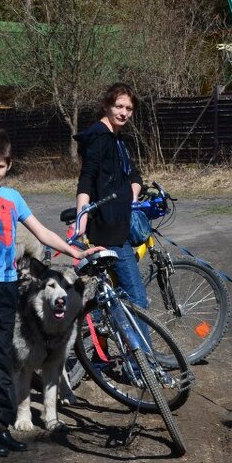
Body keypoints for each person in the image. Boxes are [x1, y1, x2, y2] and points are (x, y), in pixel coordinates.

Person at [0, 129, 97, 457]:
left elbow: (40, 232)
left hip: (7, 289)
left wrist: (74, 252)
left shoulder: (13, 199)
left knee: (3, 360)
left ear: (8, 166)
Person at [74, 83, 148, 309]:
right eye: (118, 106)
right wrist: (81, 215)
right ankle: (140, 346)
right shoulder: (99, 138)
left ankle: (101, 333)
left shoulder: (118, 140)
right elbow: (86, 178)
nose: (124, 113)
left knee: (112, 295)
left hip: (120, 221)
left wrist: (133, 196)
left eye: (129, 108)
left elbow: (134, 175)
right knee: (137, 299)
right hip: (109, 229)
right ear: (106, 105)